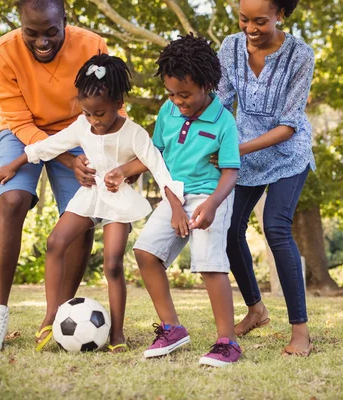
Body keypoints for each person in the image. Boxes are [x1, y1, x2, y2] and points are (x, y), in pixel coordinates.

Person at [0, 54, 184, 352]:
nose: (94, 121)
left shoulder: (134, 133)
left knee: (113, 265)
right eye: (88, 113)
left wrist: (176, 206)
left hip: (119, 203)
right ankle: (51, 316)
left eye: (101, 114)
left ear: (119, 102)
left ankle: (117, 334)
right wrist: (14, 164)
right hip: (90, 196)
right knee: (55, 242)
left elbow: (158, 167)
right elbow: (45, 146)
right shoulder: (82, 126)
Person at [0, 0, 126, 352]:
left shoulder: (91, 45)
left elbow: (111, 102)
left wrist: (100, 155)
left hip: (80, 130)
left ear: (65, 22)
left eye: (51, 33)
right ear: (20, 25)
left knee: (82, 213)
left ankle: (55, 318)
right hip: (22, 131)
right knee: (11, 199)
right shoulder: (1, 52)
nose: (42, 41)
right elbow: (20, 121)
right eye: (32, 33)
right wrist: (66, 156)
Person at [106, 34, 242, 367]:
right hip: (174, 193)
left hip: (212, 195)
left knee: (208, 261)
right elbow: (159, 159)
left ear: (207, 85)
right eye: (171, 94)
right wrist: (125, 170)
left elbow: (230, 172)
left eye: (185, 95)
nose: (178, 102)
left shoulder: (223, 120)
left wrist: (210, 206)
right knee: (145, 252)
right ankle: (172, 328)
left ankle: (228, 341)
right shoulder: (167, 112)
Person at [216, 0, 316, 356]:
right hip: (244, 151)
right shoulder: (229, 47)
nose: (250, 29)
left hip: (288, 153)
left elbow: (289, 124)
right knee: (229, 228)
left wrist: (235, 151)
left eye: (260, 21)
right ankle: (256, 309)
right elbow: (219, 100)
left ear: (280, 15)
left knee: (276, 227)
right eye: (244, 19)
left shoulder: (300, 56)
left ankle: (300, 330)